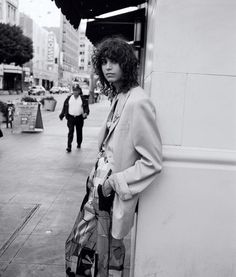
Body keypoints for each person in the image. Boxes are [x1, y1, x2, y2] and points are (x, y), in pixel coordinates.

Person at [65, 37, 162, 277]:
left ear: (126, 64)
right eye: (104, 62)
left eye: (114, 62)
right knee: (81, 255)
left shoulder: (138, 102)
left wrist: (112, 183)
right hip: (96, 195)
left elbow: (152, 161)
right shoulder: (120, 97)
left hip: (109, 197)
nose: (108, 67)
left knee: (103, 261)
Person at [59, 84, 89, 152]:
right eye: (74, 90)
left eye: (77, 90)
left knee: (79, 132)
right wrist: (62, 115)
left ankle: (79, 143)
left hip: (79, 118)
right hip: (71, 118)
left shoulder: (82, 99)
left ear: (79, 91)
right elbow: (65, 107)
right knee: (70, 132)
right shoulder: (69, 98)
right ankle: (69, 146)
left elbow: (86, 108)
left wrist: (86, 113)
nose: (75, 92)